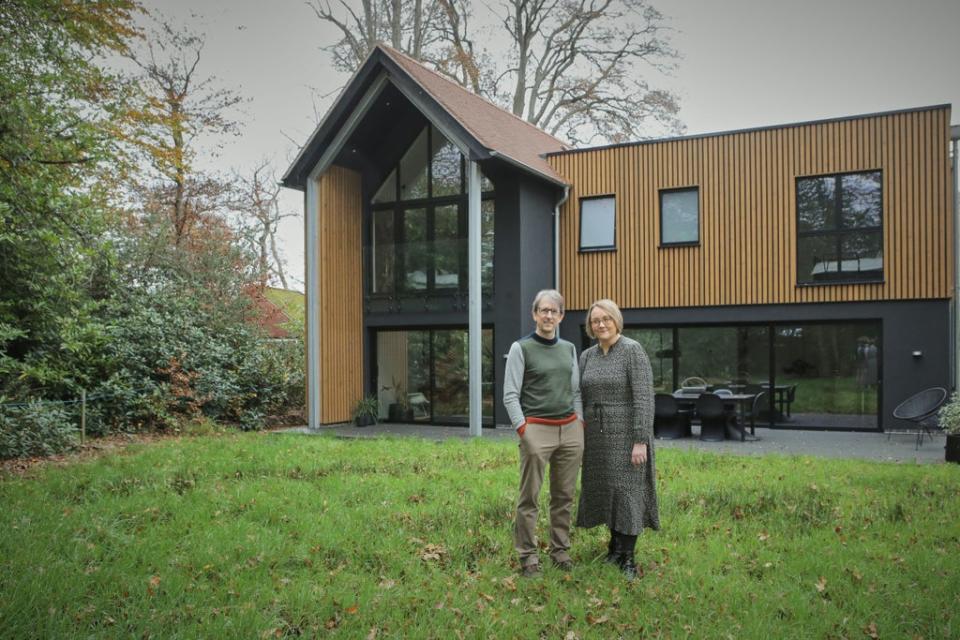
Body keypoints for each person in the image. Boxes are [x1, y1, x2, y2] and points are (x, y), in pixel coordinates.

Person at [576, 299, 659, 580]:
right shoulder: (588, 356)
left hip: (627, 436)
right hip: (596, 437)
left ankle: (628, 557)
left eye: (606, 318)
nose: (600, 324)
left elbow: (645, 399)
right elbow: (581, 395)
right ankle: (613, 548)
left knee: (627, 495)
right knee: (607, 492)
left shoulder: (632, 350)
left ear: (616, 320)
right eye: (595, 320)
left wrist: (640, 440)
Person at [503, 289, 584, 578]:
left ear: (561, 316)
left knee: (564, 496)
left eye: (554, 311)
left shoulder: (569, 349)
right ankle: (528, 557)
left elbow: (575, 391)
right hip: (536, 429)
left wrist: (580, 424)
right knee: (530, 498)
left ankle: (560, 551)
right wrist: (524, 430)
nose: (548, 315)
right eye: (543, 310)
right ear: (534, 314)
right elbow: (510, 395)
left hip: (570, 430)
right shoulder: (520, 348)